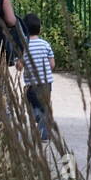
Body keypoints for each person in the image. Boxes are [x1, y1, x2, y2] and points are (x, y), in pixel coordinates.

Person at [16, 13, 54, 142]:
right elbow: (52, 64)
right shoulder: (45, 44)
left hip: (31, 84)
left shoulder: (23, 46)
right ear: (40, 28)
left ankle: (36, 114)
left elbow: (20, 66)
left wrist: (19, 64)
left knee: (31, 103)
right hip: (46, 82)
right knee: (45, 106)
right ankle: (44, 135)